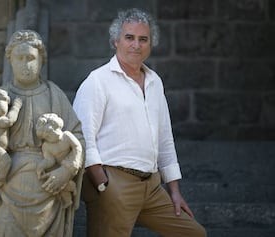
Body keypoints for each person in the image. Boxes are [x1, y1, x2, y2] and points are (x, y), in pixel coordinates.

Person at [73, 8, 207, 237]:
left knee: (194, 234)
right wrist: (103, 184)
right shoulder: (98, 81)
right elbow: (82, 136)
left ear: (150, 44)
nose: (136, 44)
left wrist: (174, 190)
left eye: (143, 39)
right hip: (115, 184)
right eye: (129, 37)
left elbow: (165, 139)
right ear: (116, 40)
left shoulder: (155, 81)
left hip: (152, 187)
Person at [0, 30, 84, 237]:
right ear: (10, 61)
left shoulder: (55, 95)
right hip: (8, 185)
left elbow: (76, 137)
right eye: (20, 58)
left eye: (31, 58)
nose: (26, 64)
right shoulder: (0, 97)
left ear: (41, 61)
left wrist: (67, 171)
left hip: (48, 187)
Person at [36, 113, 83, 208]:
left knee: (62, 180)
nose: (47, 137)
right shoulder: (47, 146)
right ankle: (68, 199)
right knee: (56, 183)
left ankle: (71, 187)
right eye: (45, 137)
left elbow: (77, 146)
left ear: (56, 126)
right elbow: (49, 160)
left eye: (49, 134)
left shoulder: (66, 136)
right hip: (59, 166)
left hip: (71, 162)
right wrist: (41, 166)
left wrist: (76, 160)